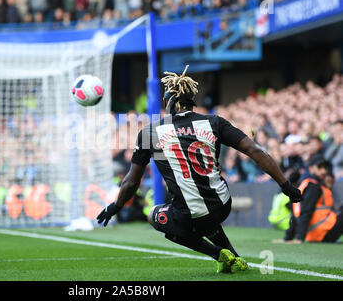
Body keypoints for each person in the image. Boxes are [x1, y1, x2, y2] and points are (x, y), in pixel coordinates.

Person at [97, 66, 302, 273]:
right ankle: (233, 257)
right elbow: (255, 151)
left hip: (188, 214)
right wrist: (285, 185)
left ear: (169, 102)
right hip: (222, 205)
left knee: (154, 216)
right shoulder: (214, 122)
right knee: (204, 214)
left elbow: (131, 181)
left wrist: (116, 206)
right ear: (191, 101)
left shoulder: (151, 133)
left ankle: (217, 253)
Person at [284, 155, 343, 243]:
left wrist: (288, 237)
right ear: (311, 169)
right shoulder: (314, 187)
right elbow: (306, 211)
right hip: (322, 232)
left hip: (316, 232)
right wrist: (300, 238)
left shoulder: (306, 184)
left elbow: (295, 212)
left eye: (324, 167)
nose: (323, 171)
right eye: (319, 167)